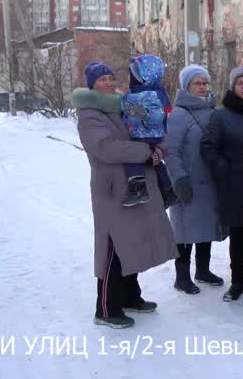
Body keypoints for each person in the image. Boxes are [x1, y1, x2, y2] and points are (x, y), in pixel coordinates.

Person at [73, 62, 178, 329]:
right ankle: (106, 308)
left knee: (132, 242)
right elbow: (106, 148)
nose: (108, 82)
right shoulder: (89, 114)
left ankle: (131, 296)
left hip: (135, 185)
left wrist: (159, 147)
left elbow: (151, 126)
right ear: (91, 84)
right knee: (112, 248)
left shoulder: (122, 104)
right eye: (102, 79)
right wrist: (145, 153)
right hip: (112, 190)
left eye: (111, 77)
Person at [201, 66, 243, 302]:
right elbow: (208, 146)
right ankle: (238, 282)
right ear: (233, 87)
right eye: (239, 83)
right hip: (236, 184)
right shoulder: (221, 115)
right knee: (239, 235)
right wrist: (223, 169)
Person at [165, 65, 228, 295]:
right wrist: (179, 178)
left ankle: (203, 270)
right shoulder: (179, 114)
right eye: (197, 83)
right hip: (188, 182)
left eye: (204, 83)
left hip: (211, 182)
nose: (202, 87)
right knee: (184, 231)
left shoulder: (213, 111)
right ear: (186, 86)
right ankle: (182, 277)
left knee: (206, 226)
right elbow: (170, 150)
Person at [121, 54, 176, 208]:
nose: (131, 77)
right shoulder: (151, 92)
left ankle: (138, 188)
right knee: (156, 162)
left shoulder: (152, 94)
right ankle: (168, 189)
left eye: (134, 74)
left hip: (146, 134)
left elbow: (158, 115)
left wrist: (140, 112)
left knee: (134, 157)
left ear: (145, 77)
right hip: (147, 134)